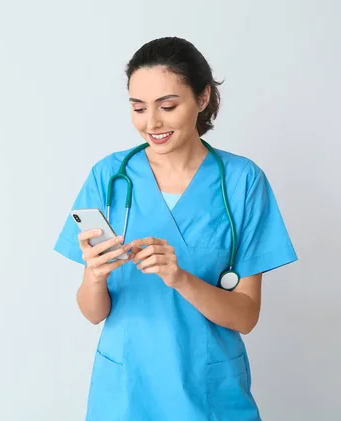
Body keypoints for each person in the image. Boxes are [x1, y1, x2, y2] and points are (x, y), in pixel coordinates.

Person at [53, 37, 297, 421]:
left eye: (168, 106)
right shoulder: (108, 177)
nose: (152, 123)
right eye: (138, 108)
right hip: (126, 392)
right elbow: (92, 312)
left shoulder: (243, 182)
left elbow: (246, 317)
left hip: (208, 392)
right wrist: (96, 277)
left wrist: (179, 277)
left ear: (202, 99)